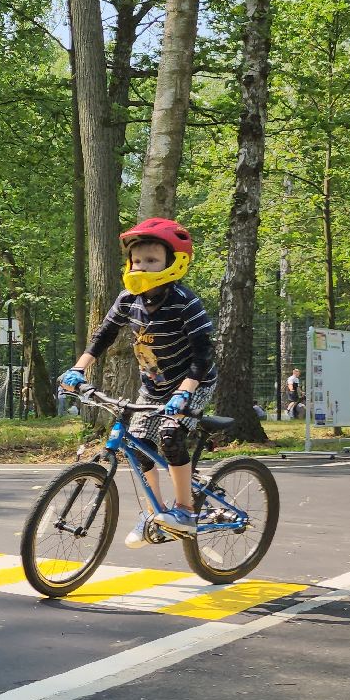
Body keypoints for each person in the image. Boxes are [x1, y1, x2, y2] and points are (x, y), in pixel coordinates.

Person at [57, 217, 216, 547]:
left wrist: (184, 394)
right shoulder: (128, 298)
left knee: (170, 436)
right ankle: (153, 513)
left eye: (152, 260)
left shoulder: (185, 302)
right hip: (155, 387)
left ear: (174, 263)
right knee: (139, 445)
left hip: (194, 384)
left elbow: (203, 357)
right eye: (137, 260)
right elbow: (104, 335)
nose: (142, 266)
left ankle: (185, 510)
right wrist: (78, 369)